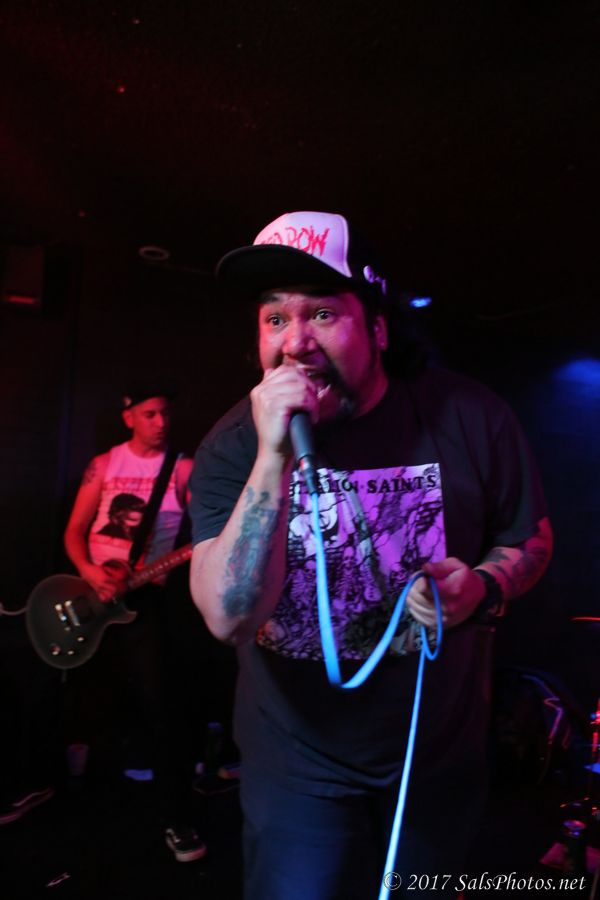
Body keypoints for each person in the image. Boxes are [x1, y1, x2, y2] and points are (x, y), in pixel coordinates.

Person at [188, 211, 553, 898]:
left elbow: (529, 538)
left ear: (379, 330)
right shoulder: (234, 445)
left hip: (430, 753)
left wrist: (479, 587)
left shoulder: (469, 417)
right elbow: (229, 617)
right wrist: (273, 459)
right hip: (295, 763)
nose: (295, 342)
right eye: (275, 319)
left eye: (323, 314)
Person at [63, 380, 207, 863]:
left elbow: (208, 529)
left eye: (166, 413)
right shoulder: (104, 464)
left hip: (146, 599)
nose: (161, 423)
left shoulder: (182, 468)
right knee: (88, 699)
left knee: (162, 708)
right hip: (92, 598)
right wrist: (89, 573)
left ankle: (177, 818)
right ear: (129, 417)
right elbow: (75, 532)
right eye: (150, 414)